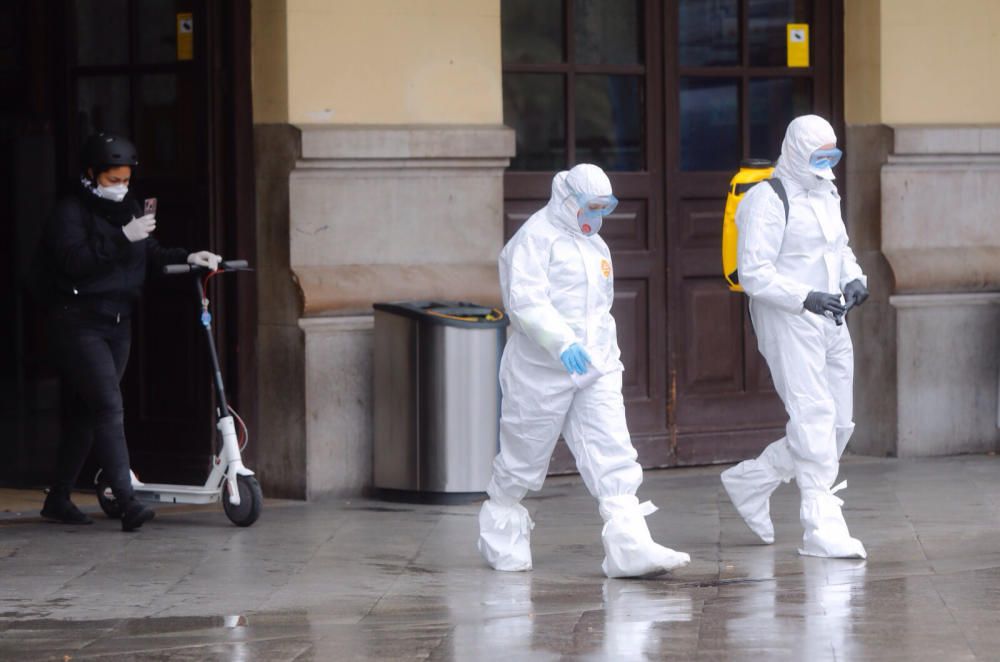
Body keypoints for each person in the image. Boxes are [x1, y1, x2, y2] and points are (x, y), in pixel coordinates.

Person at [478, 163, 690, 578]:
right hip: (540, 371)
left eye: (603, 209)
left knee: (612, 450)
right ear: (568, 199)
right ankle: (500, 529)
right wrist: (562, 342)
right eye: (590, 207)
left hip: (595, 367)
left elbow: (599, 308)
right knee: (524, 454)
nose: (596, 217)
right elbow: (525, 302)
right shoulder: (533, 240)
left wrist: (603, 355)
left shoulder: (596, 247)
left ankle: (630, 547)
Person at [38, 133, 221, 531]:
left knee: (91, 411)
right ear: (90, 175)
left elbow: (149, 253)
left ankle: (58, 498)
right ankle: (127, 501)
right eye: (112, 180)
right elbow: (75, 262)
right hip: (79, 320)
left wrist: (189, 257)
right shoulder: (69, 213)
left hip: (119, 321)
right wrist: (122, 238)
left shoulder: (130, 207)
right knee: (108, 405)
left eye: (125, 179)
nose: (121, 187)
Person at [721, 115, 870, 559]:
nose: (827, 163)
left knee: (839, 422)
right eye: (819, 155)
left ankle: (753, 479)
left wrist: (853, 277)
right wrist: (805, 297)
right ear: (798, 151)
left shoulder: (826, 191)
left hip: (831, 315)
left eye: (833, 154)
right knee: (813, 415)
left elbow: (837, 246)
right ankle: (820, 521)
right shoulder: (766, 200)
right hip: (789, 318)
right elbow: (754, 273)